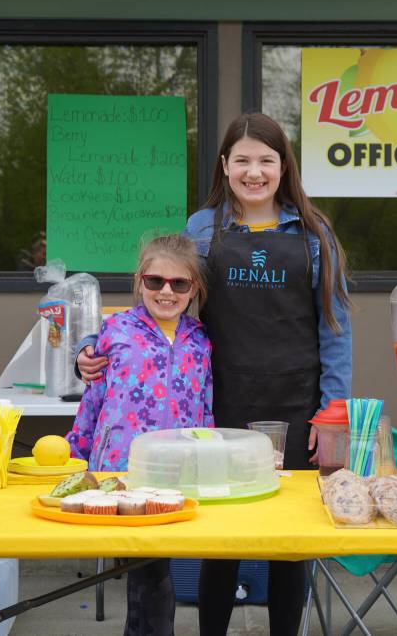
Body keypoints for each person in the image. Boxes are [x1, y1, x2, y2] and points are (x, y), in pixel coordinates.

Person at [77, 112, 353, 636]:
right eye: (243, 160)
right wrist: (95, 345)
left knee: (290, 542)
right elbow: (162, 303)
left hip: (297, 407)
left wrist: (331, 411)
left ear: (283, 166)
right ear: (225, 166)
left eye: (266, 160)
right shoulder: (202, 229)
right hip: (219, 407)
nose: (255, 172)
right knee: (220, 540)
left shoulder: (315, 234)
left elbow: (336, 330)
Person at [65, 233, 213, 636]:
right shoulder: (113, 331)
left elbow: (206, 408)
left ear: (193, 288)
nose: (166, 291)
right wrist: (74, 455)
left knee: (153, 567)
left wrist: (209, 462)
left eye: (179, 283)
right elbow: (93, 401)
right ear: (139, 281)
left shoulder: (200, 341)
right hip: (122, 471)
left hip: (175, 473)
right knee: (146, 567)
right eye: (155, 281)